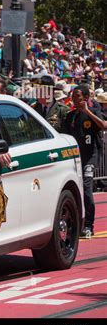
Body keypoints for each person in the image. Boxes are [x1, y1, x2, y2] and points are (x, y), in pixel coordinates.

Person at [62, 84, 106, 237]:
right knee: (74, 190)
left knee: (87, 188)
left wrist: (87, 111)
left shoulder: (94, 112)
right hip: (75, 158)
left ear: (86, 98)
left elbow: (104, 125)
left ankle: (89, 225)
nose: (74, 99)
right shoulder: (70, 116)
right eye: (73, 96)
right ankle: (74, 223)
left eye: (78, 96)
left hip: (91, 156)